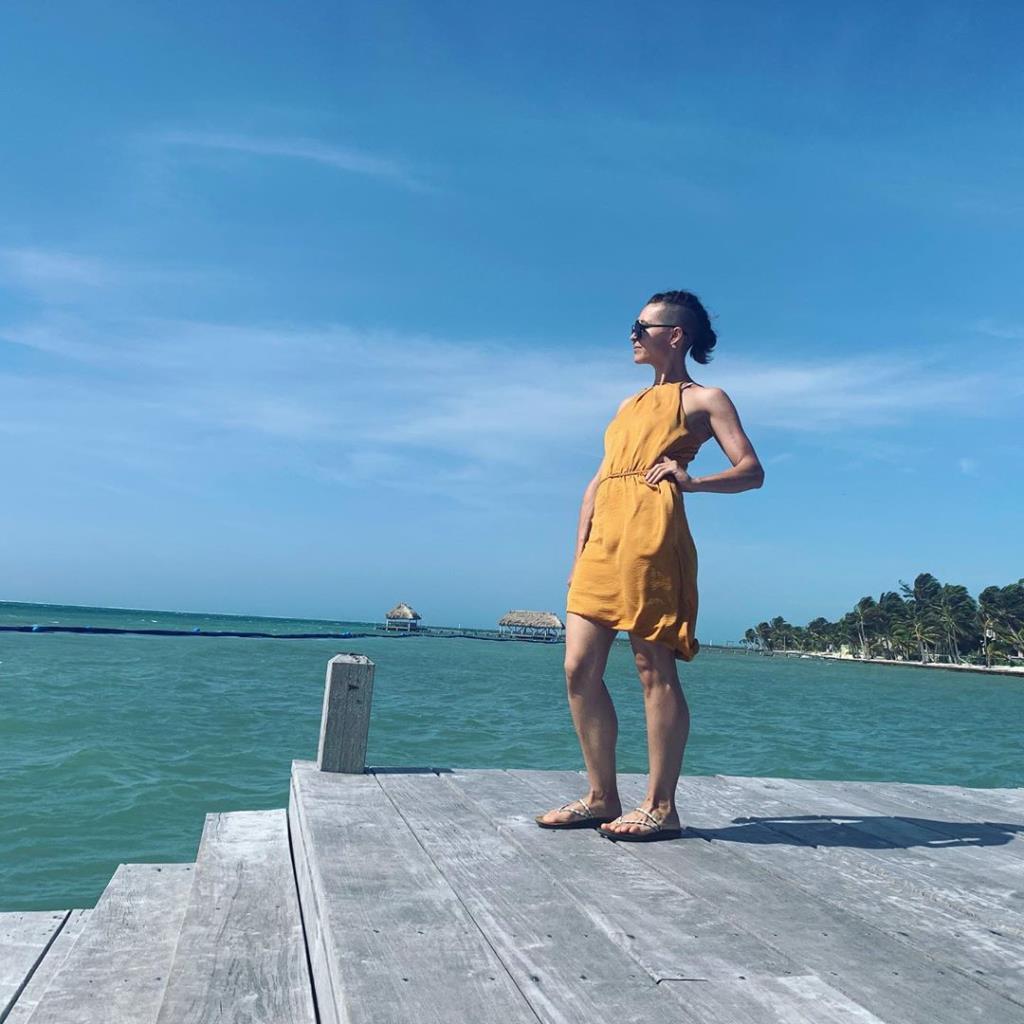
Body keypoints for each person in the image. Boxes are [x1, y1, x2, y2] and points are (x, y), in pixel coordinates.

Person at [535, 290, 764, 841]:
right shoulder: (627, 405)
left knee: (652, 668)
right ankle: (601, 796)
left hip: (652, 537)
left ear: (675, 335)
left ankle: (661, 807)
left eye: (642, 326)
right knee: (577, 668)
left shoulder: (705, 398)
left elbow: (751, 471)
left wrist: (693, 481)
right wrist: (579, 553)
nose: (632, 335)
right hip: (603, 543)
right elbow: (598, 481)